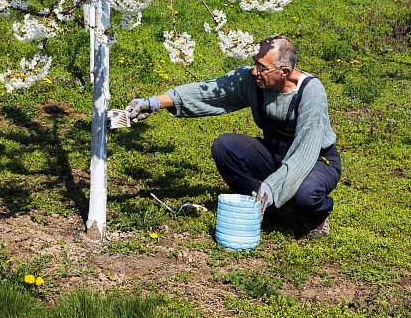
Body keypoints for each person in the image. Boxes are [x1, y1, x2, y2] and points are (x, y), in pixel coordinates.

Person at [124, 34, 341, 238]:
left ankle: (316, 216)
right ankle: (263, 206)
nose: (254, 71)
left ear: (284, 72)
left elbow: (304, 152)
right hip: (275, 154)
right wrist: (154, 102)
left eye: (262, 67)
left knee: (306, 194)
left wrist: (272, 187)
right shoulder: (253, 81)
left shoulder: (311, 92)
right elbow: (207, 92)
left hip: (316, 160)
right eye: (254, 62)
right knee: (225, 146)